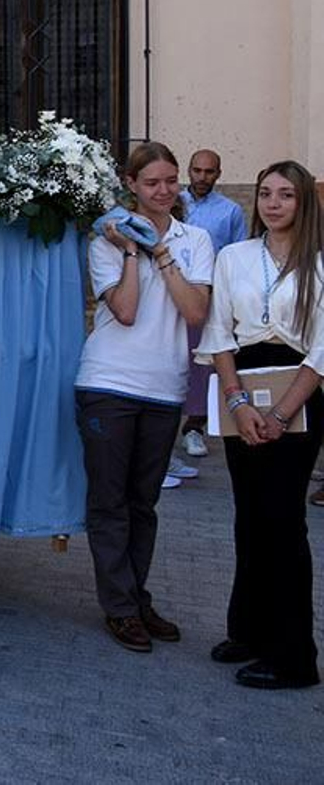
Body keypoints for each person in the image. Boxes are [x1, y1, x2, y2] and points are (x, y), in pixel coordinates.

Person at [75, 143, 213, 652]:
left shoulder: (193, 239)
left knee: (144, 502)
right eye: (152, 182)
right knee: (110, 502)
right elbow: (127, 311)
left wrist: (160, 251)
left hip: (164, 387)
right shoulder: (105, 240)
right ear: (130, 184)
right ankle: (120, 607)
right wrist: (132, 249)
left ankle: (135, 596)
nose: (163, 191)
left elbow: (195, 311)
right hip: (109, 383)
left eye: (170, 181)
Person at [195, 159, 324, 690]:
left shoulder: (319, 266)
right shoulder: (234, 257)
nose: (273, 203)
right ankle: (247, 629)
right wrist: (239, 401)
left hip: (300, 395)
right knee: (248, 516)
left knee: (282, 521)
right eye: (266, 193)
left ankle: (294, 656)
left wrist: (279, 412)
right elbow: (219, 331)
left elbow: (321, 349)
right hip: (241, 388)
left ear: (304, 204)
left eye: (286, 195)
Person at [176, 149, 250, 466]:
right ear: (188, 171)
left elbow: (237, 255)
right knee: (171, 356)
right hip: (170, 290)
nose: (202, 177)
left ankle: (195, 427)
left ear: (218, 174)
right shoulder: (173, 202)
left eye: (209, 172)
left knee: (203, 361)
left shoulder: (230, 211)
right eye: (197, 170)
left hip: (211, 295)